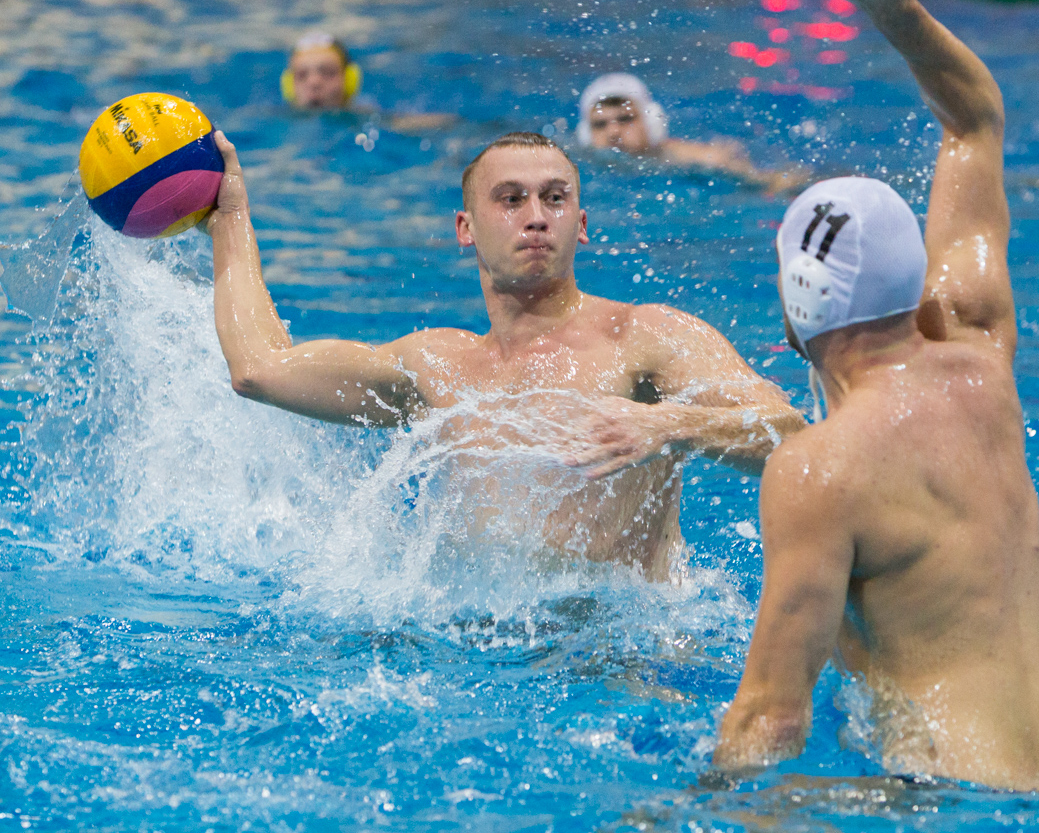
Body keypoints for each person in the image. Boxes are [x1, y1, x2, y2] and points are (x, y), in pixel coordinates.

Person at [709, 0, 1039, 793]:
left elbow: (771, 718)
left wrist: (694, 832)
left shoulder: (819, 471)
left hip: (950, 813)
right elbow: (973, 122)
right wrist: (895, 11)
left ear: (791, 320)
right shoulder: (980, 347)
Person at [204, 129, 803, 580]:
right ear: (466, 228)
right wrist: (230, 216)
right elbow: (260, 370)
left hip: (623, 661)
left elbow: (791, 437)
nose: (537, 217)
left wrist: (670, 423)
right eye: (511, 199)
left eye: (555, 198)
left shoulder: (646, 338)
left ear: (583, 223)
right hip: (478, 657)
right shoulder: (435, 366)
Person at [577, 73, 809, 196]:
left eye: (626, 119)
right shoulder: (578, 162)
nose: (613, 132)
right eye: (600, 125)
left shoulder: (691, 158)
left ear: (651, 121)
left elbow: (770, 182)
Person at [284, 31, 451, 132]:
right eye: (302, 75)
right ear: (288, 85)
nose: (314, 82)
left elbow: (406, 123)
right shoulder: (277, 120)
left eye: (327, 73)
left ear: (350, 80)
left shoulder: (365, 118)